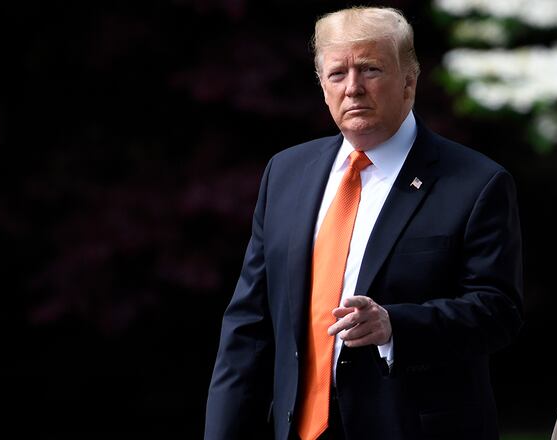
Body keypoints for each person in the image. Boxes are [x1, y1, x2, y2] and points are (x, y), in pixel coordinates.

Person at [204, 6, 523, 440]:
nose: (353, 88)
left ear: (409, 80)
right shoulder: (286, 173)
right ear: (322, 87)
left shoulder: (476, 182)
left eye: (370, 69)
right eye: (337, 74)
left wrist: (396, 325)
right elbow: (249, 325)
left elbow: (497, 311)